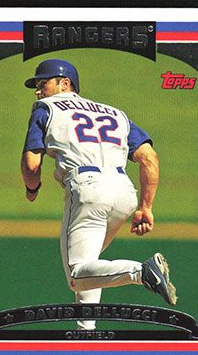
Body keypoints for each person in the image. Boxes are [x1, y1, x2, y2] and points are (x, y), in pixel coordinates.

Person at [21, 59, 177, 331]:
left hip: (88, 190)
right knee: (89, 265)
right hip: (123, 191)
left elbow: (32, 163)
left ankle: (142, 272)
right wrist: (145, 207)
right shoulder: (115, 113)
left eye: (43, 83)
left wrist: (31, 188)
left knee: (77, 275)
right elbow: (149, 157)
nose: (38, 90)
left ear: (64, 84)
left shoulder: (46, 107)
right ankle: (86, 329)